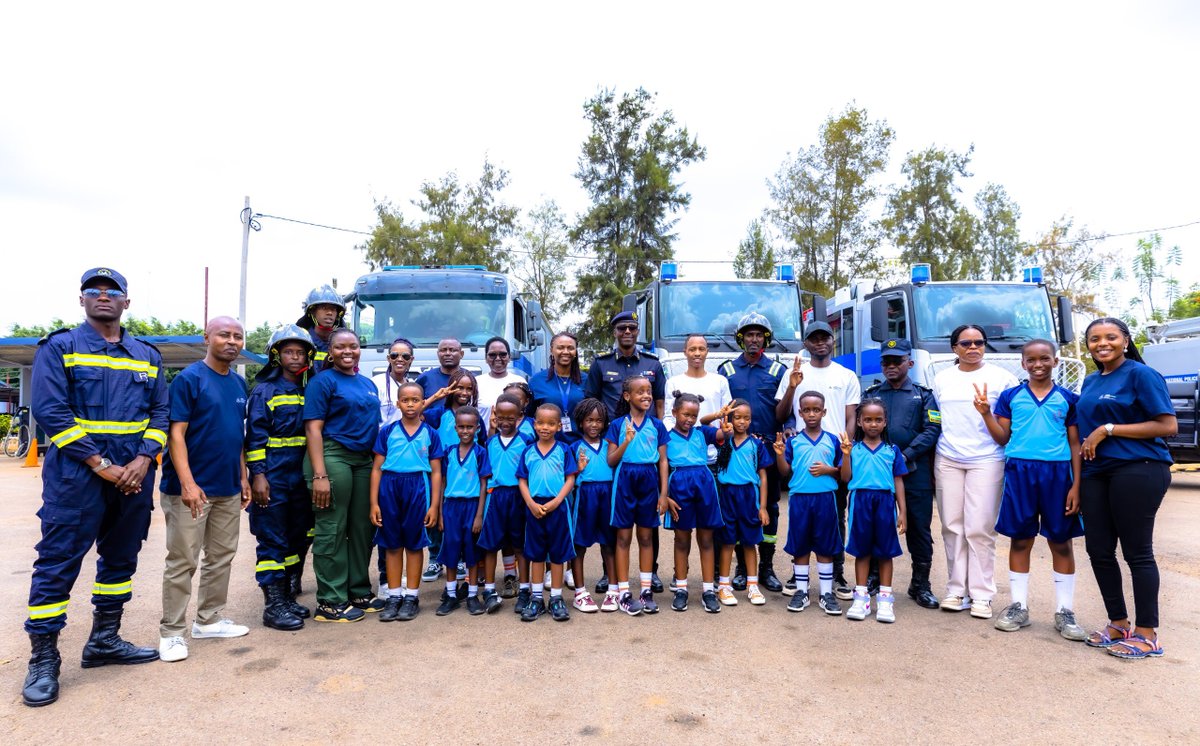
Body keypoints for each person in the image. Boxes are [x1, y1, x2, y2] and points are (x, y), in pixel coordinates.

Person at [23, 268, 167, 707]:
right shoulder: (60, 347)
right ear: (81, 300)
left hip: (134, 478)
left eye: (112, 291)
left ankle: (105, 639)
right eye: (94, 291)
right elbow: (51, 411)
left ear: (127, 302)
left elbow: (160, 414)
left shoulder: (147, 354)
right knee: (58, 562)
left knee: (121, 558)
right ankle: (44, 660)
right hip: (76, 479)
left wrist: (142, 461)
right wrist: (101, 464)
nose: (103, 296)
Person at [1077, 317, 1176, 659]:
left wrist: (1108, 428)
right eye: (1094, 339)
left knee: (1137, 552)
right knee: (1099, 550)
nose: (1102, 343)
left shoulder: (1140, 374)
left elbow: (1167, 425)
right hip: (1097, 472)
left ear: (1125, 340)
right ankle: (1118, 624)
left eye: (1110, 337)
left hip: (1138, 468)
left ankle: (1147, 635)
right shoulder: (1091, 380)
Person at [974, 340, 1086, 640]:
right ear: (1023, 364)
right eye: (1032, 360)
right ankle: (1018, 606)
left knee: (1061, 542)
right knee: (1020, 540)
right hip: (1020, 472)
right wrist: (986, 413)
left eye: (1044, 359)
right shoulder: (1011, 396)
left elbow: (1075, 444)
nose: (1038, 364)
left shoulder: (1069, 399)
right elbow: (1001, 438)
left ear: (1056, 361)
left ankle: (1064, 610)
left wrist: (1076, 484)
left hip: (1058, 475)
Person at [158, 316, 252, 663]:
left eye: (238, 336)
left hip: (227, 486)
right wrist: (187, 483)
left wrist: (242, 476)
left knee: (221, 557)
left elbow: (236, 436)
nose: (232, 341)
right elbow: (175, 434)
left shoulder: (239, 386)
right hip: (190, 489)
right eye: (224, 334)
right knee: (183, 560)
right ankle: (171, 632)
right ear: (207, 338)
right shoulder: (189, 379)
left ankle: (209, 620)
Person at [931, 324, 1018, 620]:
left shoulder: (1002, 378)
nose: (973, 348)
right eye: (965, 343)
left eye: (978, 342)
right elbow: (935, 420)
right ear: (954, 347)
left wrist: (986, 411)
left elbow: (1008, 425)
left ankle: (982, 594)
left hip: (987, 458)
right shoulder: (941, 379)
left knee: (980, 528)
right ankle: (957, 590)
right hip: (948, 458)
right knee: (952, 526)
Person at [776, 321, 860, 599]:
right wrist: (791, 387)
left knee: (836, 517)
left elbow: (850, 416)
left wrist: (844, 450)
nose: (820, 342)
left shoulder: (846, 375)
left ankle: (835, 575)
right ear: (807, 342)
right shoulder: (794, 373)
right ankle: (798, 576)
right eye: (814, 338)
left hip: (833, 452)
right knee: (801, 518)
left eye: (825, 337)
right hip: (803, 452)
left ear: (832, 340)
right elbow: (782, 413)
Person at [303, 328, 382, 623]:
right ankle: (331, 600)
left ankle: (358, 590)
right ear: (330, 352)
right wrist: (319, 476)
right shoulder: (322, 382)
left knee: (362, 528)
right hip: (333, 456)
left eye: (354, 346)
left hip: (363, 460)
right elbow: (313, 429)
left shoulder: (366, 383)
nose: (348, 351)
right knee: (333, 527)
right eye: (340, 347)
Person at [586, 310, 668, 593]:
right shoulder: (601, 364)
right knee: (615, 520)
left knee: (648, 526)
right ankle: (611, 575)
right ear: (615, 332)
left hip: (644, 444)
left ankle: (651, 574)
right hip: (613, 444)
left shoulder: (652, 364)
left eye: (632, 328)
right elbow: (592, 404)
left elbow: (658, 402)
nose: (628, 332)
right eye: (622, 328)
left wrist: (653, 430)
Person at [244, 325, 316, 632]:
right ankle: (273, 606)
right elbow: (254, 437)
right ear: (276, 355)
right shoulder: (265, 391)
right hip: (272, 476)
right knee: (272, 540)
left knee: (299, 536)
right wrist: (258, 476)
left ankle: (287, 597)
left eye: (300, 352)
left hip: (299, 477)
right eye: (288, 351)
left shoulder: (307, 389)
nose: (295, 356)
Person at [862, 339, 942, 609]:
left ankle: (920, 584)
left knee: (918, 528)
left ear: (910, 362)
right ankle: (873, 577)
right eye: (886, 361)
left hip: (913, 471)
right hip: (878, 473)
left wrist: (905, 455)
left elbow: (932, 429)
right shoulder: (872, 394)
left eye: (897, 360)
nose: (891, 366)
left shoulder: (924, 395)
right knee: (876, 525)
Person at [717, 313, 788, 593]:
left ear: (766, 339)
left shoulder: (777, 372)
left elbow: (787, 410)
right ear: (741, 339)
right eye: (749, 335)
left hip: (766, 449)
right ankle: (741, 569)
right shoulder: (727, 371)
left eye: (759, 335)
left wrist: (789, 428)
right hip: (734, 450)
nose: (754, 339)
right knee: (736, 510)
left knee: (768, 508)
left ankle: (766, 568)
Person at [370, 381, 443, 622]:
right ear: (398, 403)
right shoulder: (388, 431)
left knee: (413, 544)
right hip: (390, 488)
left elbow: (436, 472)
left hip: (417, 489)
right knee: (392, 545)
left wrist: (433, 505)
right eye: (405, 400)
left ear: (423, 403)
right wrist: (374, 502)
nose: (410, 404)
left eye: (415, 400)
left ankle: (411, 596)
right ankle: (394, 595)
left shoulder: (430, 433)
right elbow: (377, 469)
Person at [605, 375, 670, 615]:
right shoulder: (617, 425)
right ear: (627, 396)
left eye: (649, 391)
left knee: (646, 537)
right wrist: (627, 441)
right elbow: (611, 459)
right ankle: (623, 593)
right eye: (640, 391)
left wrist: (663, 494)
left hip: (649, 480)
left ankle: (645, 591)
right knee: (623, 538)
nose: (646, 395)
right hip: (625, 479)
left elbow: (663, 461)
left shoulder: (657, 425)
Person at [775, 391, 844, 616]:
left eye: (816, 410)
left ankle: (826, 593)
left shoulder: (833, 440)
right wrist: (779, 454)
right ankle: (802, 591)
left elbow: (843, 474)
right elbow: (785, 472)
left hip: (825, 498)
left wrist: (829, 469)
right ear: (800, 413)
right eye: (807, 410)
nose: (812, 414)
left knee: (825, 544)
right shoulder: (793, 441)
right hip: (800, 500)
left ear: (824, 412)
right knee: (801, 545)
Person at [839, 399, 908, 623]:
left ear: (885, 422)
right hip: (861, 501)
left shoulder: (892, 450)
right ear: (859, 422)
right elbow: (845, 478)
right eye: (867, 420)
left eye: (878, 420)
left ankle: (885, 600)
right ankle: (862, 598)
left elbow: (898, 481)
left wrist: (902, 511)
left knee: (885, 552)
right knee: (862, 550)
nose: (873, 424)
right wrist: (846, 455)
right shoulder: (853, 449)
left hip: (885, 502)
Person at [663, 392, 728, 613]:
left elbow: (722, 433)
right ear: (674, 413)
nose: (689, 419)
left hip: (704, 484)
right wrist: (665, 496)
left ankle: (708, 590)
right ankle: (681, 588)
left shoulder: (702, 433)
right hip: (678, 486)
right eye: (685, 414)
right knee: (681, 538)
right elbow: (659, 466)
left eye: (694, 415)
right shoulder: (666, 437)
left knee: (707, 537)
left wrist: (725, 427)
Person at [516, 404, 580, 622]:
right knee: (535, 554)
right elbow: (522, 481)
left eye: (551, 423)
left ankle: (555, 598)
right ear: (534, 425)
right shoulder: (528, 451)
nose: (545, 427)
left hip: (558, 508)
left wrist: (557, 500)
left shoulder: (564, 450)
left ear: (559, 426)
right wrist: (531, 504)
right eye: (541, 423)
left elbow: (570, 478)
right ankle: (536, 599)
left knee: (558, 554)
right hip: (534, 508)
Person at [714, 399, 773, 607]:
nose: (742, 422)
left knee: (749, 542)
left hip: (749, 495)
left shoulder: (757, 444)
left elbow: (763, 476)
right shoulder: (723, 440)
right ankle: (723, 585)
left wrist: (763, 507)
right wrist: (720, 421)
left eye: (746, 418)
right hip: (727, 494)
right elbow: (703, 424)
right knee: (728, 541)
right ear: (729, 419)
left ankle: (753, 585)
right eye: (737, 417)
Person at [478, 394, 536, 606]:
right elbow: (485, 474)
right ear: (495, 415)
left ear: (520, 416)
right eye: (500, 417)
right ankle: (490, 590)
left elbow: (529, 472)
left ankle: (524, 590)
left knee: (519, 545)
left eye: (510, 418)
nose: (505, 422)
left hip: (518, 496)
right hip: (496, 497)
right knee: (491, 545)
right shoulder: (490, 441)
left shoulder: (526, 441)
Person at [434, 406, 491, 617]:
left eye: (470, 427)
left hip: (472, 506)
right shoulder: (448, 452)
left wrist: (479, 515)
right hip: (451, 507)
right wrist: (440, 513)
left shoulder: (481, 452)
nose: (465, 431)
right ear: (455, 427)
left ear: (477, 428)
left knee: (472, 554)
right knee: (450, 551)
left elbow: (484, 485)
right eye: (461, 427)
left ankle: (472, 595)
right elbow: (443, 483)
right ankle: (450, 595)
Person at [415, 337, 464, 583]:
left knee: (458, 514)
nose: (448, 353)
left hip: (465, 470)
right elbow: (415, 411)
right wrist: (436, 397)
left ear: (461, 353)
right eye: (443, 349)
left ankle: (461, 558)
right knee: (434, 512)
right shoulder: (437, 410)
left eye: (453, 349)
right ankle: (435, 559)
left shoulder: (472, 414)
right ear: (437, 353)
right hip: (436, 467)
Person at [569, 398, 615, 613]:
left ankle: (613, 591)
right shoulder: (574, 448)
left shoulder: (609, 446)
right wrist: (578, 469)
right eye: (589, 420)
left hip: (607, 495)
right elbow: (567, 478)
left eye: (598, 420)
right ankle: (580, 592)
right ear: (580, 423)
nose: (594, 424)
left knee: (609, 544)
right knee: (579, 545)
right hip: (585, 496)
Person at [529, 332, 587, 442]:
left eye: (570, 348)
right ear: (551, 350)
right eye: (560, 348)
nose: (565, 352)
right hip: (547, 446)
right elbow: (529, 416)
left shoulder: (586, 380)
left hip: (579, 445)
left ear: (575, 352)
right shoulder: (537, 381)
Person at [477, 337, 527, 426]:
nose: (497, 358)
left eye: (503, 354)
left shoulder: (519, 381)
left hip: (515, 438)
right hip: (484, 439)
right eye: (492, 355)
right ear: (486, 358)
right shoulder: (476, 382)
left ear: (509, 357)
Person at [295, 284, 347, 370]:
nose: (329, 313)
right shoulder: (301, 342)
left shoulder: (345, 343)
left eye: (333, 309)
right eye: (324, 308)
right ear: (312, 311)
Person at [373, 337, 417, 426]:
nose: (400, 359)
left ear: (411, 359)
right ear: (388, 358)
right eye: (394, 355)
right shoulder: (376, 383)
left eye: (405, 356)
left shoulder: (413, 386)